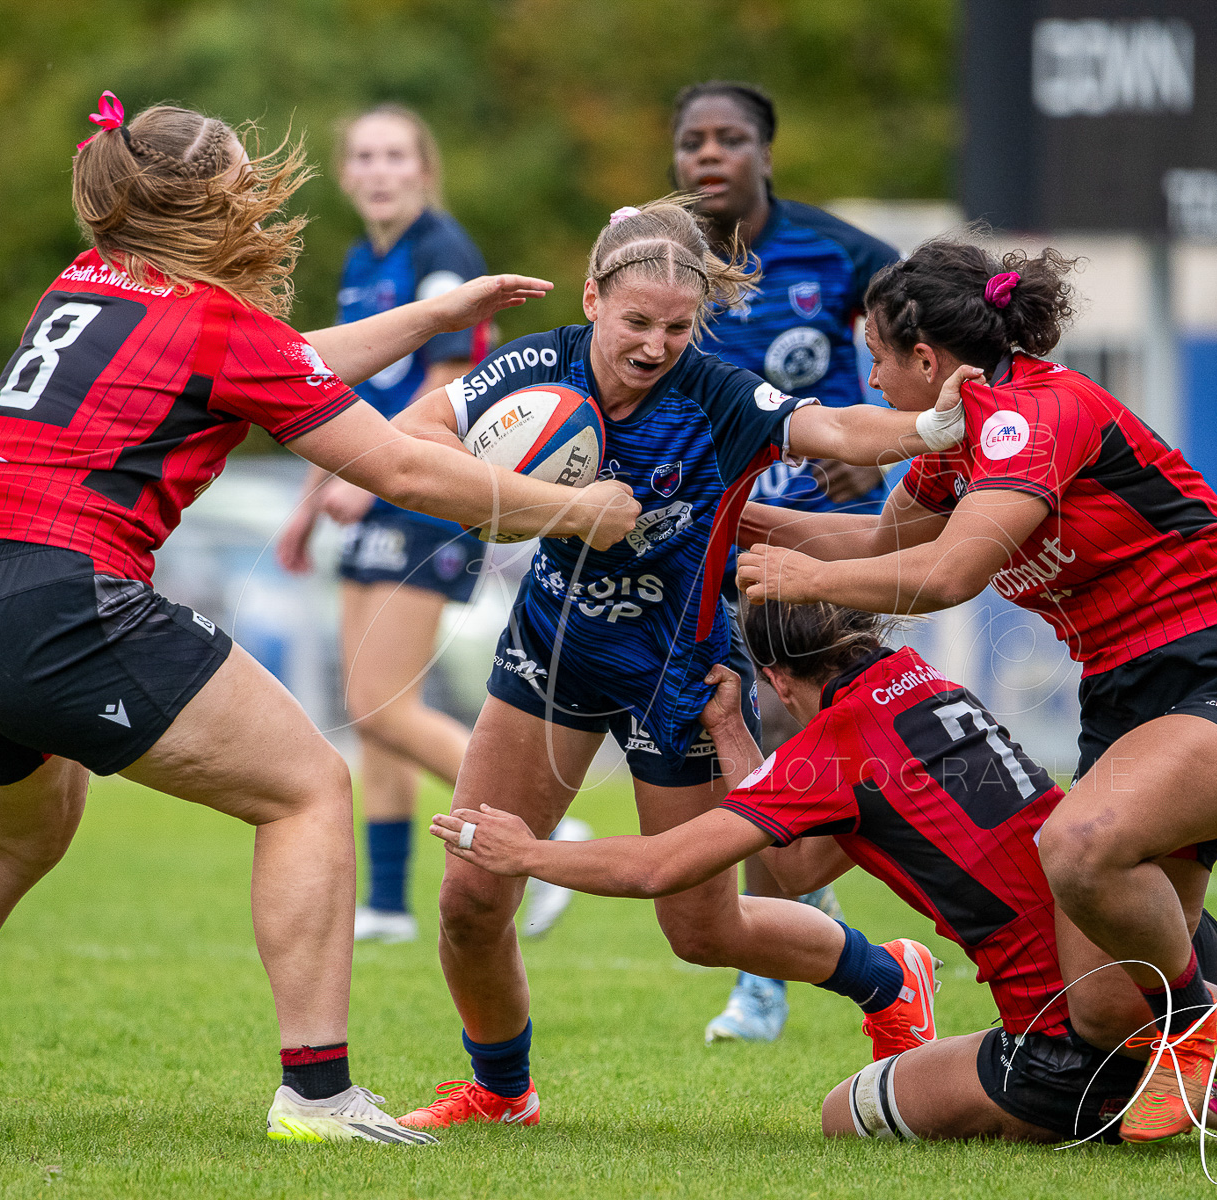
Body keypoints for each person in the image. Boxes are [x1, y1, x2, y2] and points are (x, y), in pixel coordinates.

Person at [0, 93, 638, 1146]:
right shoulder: (216, 324)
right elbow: (397, 468)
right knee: (306, 790)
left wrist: (429, 318)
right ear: (211, 199)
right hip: (63, 598)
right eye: (244, 177)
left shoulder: (84, 284)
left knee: (11, 837)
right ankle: (319, 1093)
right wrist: (582, 512)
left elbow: (274, 363)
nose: (257, 191)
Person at [434, 601, 1217, 1153]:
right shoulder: (920, 683)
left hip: (1066, 1014)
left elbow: (669, 864)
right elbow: (800, 863)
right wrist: (739, 736)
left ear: (779, 671)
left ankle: (1203, 1085)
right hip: (1136, 911)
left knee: (848, 1118)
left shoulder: (831, 753)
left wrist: (527, 850)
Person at [386, 195, 970, 1130]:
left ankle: (887, 974)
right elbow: (414, 435)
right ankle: (502, 1092)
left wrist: (926, 433)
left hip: (680, 681)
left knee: (704, 932)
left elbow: (830, 430)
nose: (656, 344)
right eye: (636, 323)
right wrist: (526, 497)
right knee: (469, 896)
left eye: (676, 326)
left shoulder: (718, 395)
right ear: (591, 300)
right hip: (553, 650)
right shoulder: (542, 366)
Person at [734, 236, 1217, 1141]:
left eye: (875, 355)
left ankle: (1194, 1044)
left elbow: (942, 579)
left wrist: (794, 581)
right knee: (1101, 1006)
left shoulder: (1033, 413)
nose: (870, 374)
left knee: (1081, 844)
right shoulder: (958, 443)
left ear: (927, 359)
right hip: (1129, 695)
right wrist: (708, 513)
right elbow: (871, 548)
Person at [274, 104, 584, 945]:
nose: (378, 169)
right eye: (365, 156)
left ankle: (547, 837)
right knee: (375, 703)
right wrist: (312, 503)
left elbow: (449, 380)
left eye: (395, 156)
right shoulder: (363, 258)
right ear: (347, 173)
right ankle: (383, 902)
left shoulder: (443, 253)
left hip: (414, 491)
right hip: (369, 487)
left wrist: (365, 484)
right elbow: (331, 397)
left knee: (378, 704)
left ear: (422, 168)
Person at [672, 79, 901, 1044]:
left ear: (767, 151)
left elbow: (927, 342)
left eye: (729, 139)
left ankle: (801, 936)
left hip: (824, 540)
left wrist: (876, 450)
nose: (708, 157)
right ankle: (778, 960)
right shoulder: (665, 261)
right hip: (710, 533)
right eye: (692, 142)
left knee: (798, 720)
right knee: (750, 721)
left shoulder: (838, 253)